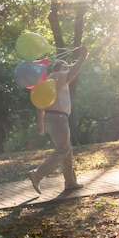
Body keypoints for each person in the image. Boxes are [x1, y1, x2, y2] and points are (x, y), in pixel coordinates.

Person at [29, 46, 89, 194]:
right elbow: (74, 71)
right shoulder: (58, 76)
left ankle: (70, 182)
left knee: (67, 150)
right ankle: (37, 174)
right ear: (60, 68)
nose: (67, 69)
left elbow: (39, 105)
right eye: (65, 67)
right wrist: (83, 57)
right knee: (62, 150)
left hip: (50, 119)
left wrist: (40, 123)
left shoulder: (46, 81)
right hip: (58, 118)